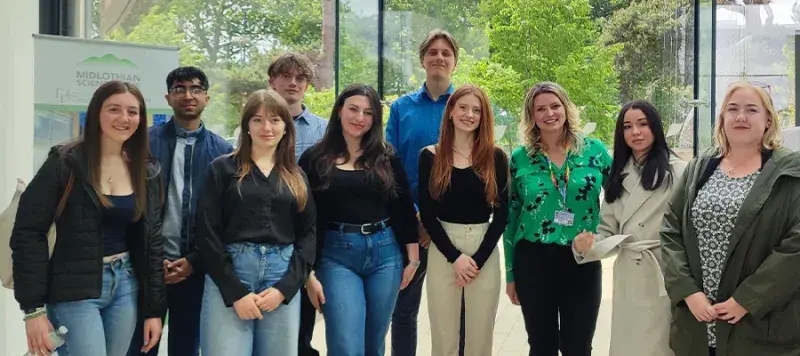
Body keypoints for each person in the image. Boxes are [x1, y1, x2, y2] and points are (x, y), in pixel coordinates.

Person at [12, 80, 165, 356]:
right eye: (114, 109)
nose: (124, 118)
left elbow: (151, 243)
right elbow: (27, 232)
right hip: (75, 290)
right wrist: (32, 310)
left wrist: (154, 310)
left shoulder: (145, 169)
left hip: (125, 285)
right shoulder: (65, 162)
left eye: (133, 111)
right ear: (96, 113)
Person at [661, 82, 800, 356]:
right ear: (722, 118)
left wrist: (747, 299)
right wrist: (688, 291)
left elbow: (795, 248)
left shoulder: (789, 173)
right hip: (698, 321)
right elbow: (671, 230)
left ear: (768, 119)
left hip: (758, 324)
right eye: (732, 109)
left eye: (751, 110)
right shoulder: (699, 168)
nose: (741, 117)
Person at [299, 83, 420, 356]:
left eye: (368, 112)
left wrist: (412, 259)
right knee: (345, 346)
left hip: (385, 254)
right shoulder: (315, 159)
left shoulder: (386, 157)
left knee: (373, 345)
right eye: (353, 109)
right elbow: (303, 218)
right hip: (335, 255)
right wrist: (307, 274)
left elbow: (402, 209)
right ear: (339, 110)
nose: (360, 118)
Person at [195, 89, 316, 356]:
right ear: (247, 126)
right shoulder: (223, 169)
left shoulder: (296, 176)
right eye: (258, 120)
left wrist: (285, 289)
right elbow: (206, 232)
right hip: (231, 272)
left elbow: (308, 236)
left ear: (286, 127)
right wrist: (235, 292)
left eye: (275, 120)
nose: (267, 128)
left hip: (280, 274)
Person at [128, 66, 233, 356]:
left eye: (196, 89)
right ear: (168, 97)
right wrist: (153, 259)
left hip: (195, 269)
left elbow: (225, 217)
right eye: (179, 89)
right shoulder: (144, 143)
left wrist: (193, 261)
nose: (188, 95)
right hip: (148, 267)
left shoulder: (224, 152)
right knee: (141, 345)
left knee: (186, 347)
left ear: (207, 98)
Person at [503, 82, 611, 356]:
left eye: (555, 106)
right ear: (532, 116)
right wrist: (511, 273)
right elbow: (511, 216)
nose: (549, 113)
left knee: (578, 346)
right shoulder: (520, 159)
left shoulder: (594, 151)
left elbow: (621, 196)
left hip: (581, 261)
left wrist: (608, 238)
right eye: (540, 109)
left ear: (566, 108)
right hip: (534, 261)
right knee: (541, 346)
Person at [572, 100, 686, 356]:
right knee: (629, 345)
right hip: (629, 276)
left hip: (664, 271)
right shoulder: (618, 175)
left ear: (656, 127)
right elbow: (608, 230)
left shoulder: (678, 172)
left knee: (661, 346)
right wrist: (587, 246)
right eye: (627, 126)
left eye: (643, 124)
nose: (635, 132)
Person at [418, 84, 508, 356]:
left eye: (477, 110)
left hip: (484, 246)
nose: (469, 114)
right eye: (463, 107)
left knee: (479, 338)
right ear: (450, 112)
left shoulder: (495, 156)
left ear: (483, 117)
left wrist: (477, 260)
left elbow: (502, 215)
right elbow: (428, 213)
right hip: (443, 246)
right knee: (444, 336)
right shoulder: (430, 156)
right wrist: (455, 258)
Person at [386, 28, 460, 356]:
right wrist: (415, 213)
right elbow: (391, 163)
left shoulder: (466, 105)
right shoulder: (402, 108)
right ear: (422, 60)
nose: (439, 58)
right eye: (433, 52)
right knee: (404, 311)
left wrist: (434, 218)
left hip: (454, 224)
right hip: (409, 222)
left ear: (454, 62)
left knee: (455, 311)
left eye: (446, 53)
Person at [267, 52, 328, 356]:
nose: (293, 82)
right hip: (267, 234)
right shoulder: (254, 128)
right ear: (272, 82)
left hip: (309, 233)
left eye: (300, 77)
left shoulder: (324, 130)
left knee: (303, 327)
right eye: (286, 76)